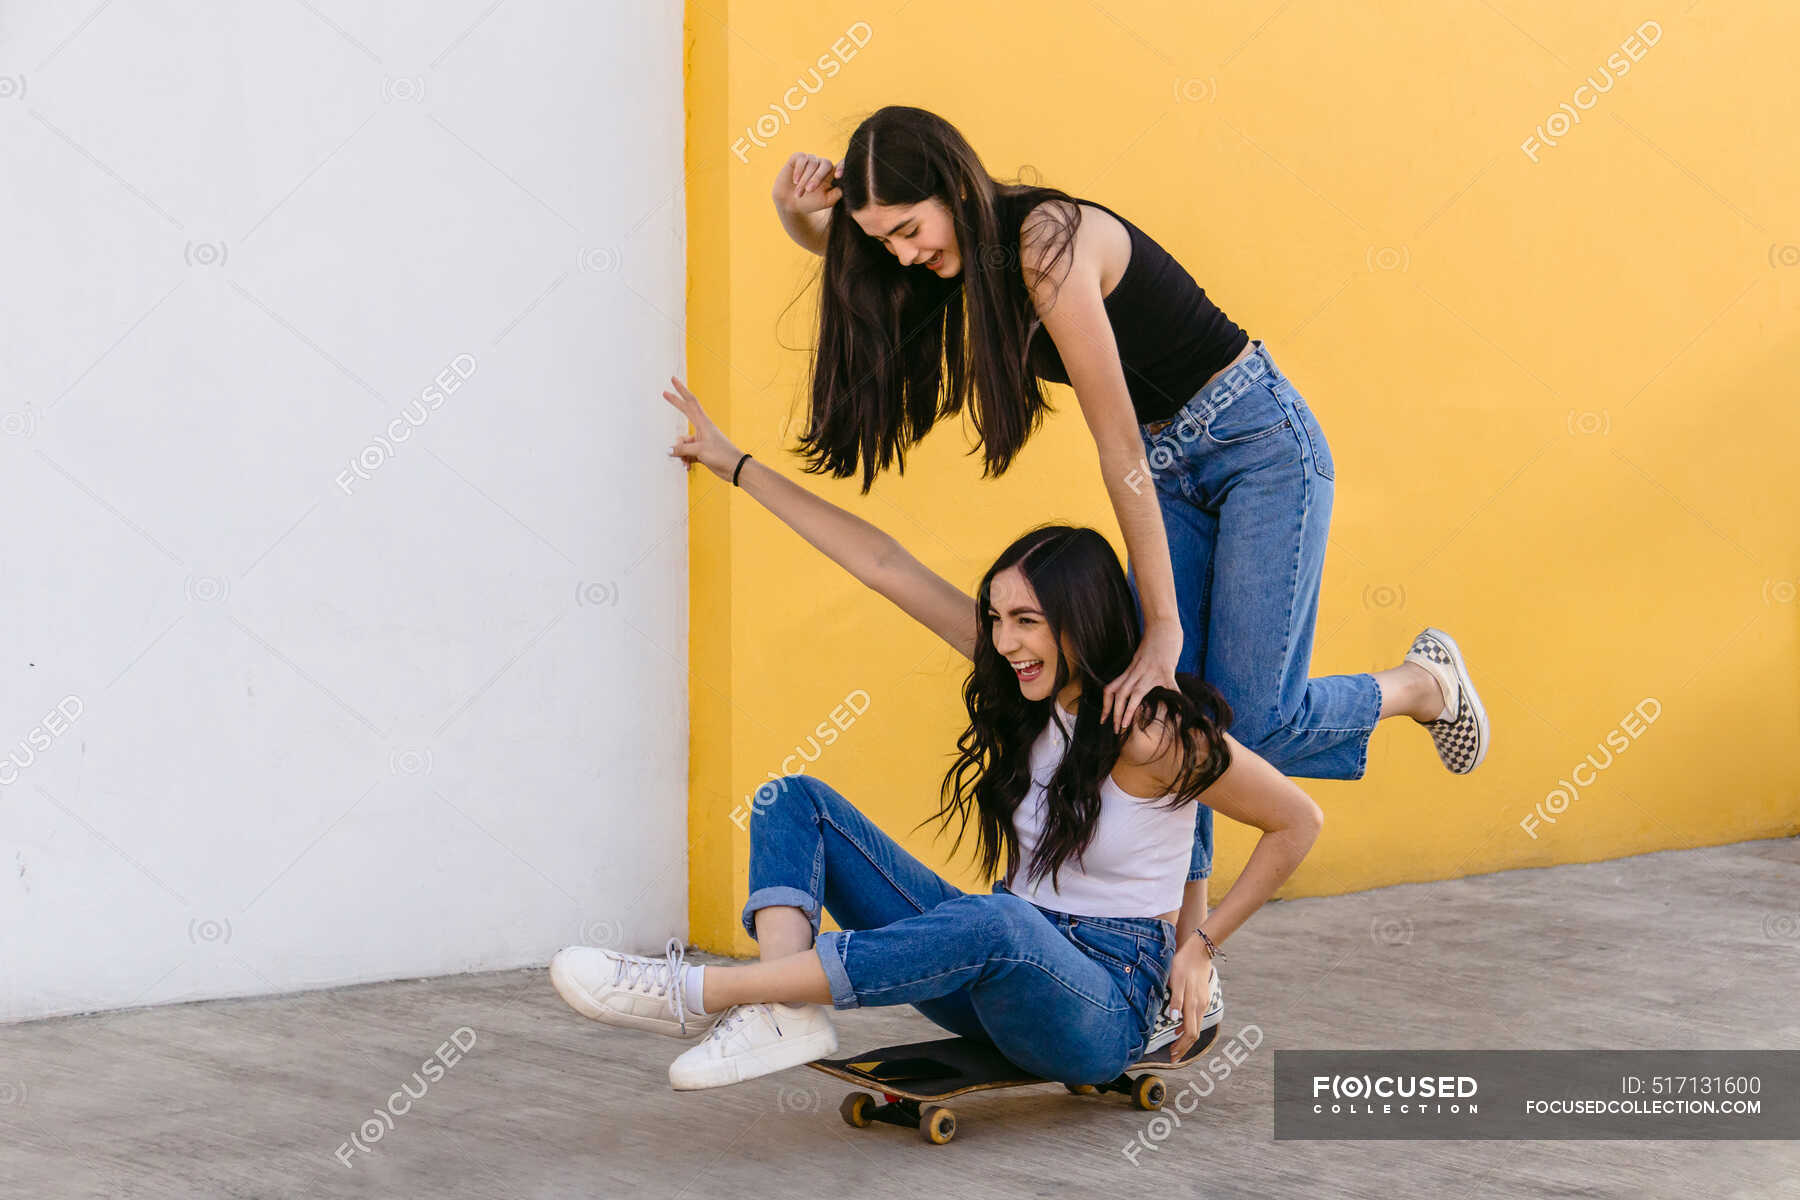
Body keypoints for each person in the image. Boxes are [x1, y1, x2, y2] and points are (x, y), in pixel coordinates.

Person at [768, 106, 1490, 988]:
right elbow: (857, 264)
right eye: (886, 242)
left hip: (1257, 445)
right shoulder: (966, 260)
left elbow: (1117, 455)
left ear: (954, 190)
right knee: (1174, 719)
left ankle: (1422, 686)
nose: (907, 256)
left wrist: (1162, 628)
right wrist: (791, 208)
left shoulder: (1045, 245)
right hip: (1169, 463)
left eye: (912, 230)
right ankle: (1181, 962)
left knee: (1246, 721)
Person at [547, 378, 1325, 1092]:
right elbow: (884, 563)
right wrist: (735, 465)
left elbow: (1297, 820)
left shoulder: (1150, 729)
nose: (1007, 641)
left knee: (1000, 921)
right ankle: (784, 1007)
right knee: (795, 800)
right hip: (1000, 971)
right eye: (996, 618)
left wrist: (1201, 944)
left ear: (1083, 623)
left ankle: (697, 991)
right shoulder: (1021, 687)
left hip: (1101, 1007)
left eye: (1027, 621)